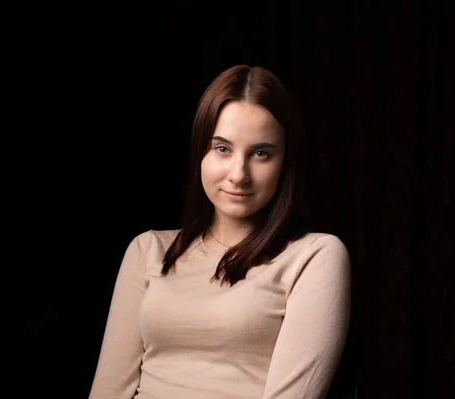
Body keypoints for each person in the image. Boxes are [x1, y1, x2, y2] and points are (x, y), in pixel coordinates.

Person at [89, 64, 351, 399]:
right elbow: (108, 391)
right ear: (201, 152)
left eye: (261, 153)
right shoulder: (147, 250)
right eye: (222, 149)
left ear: (285, 163)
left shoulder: (314, 256)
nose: (239, 174)